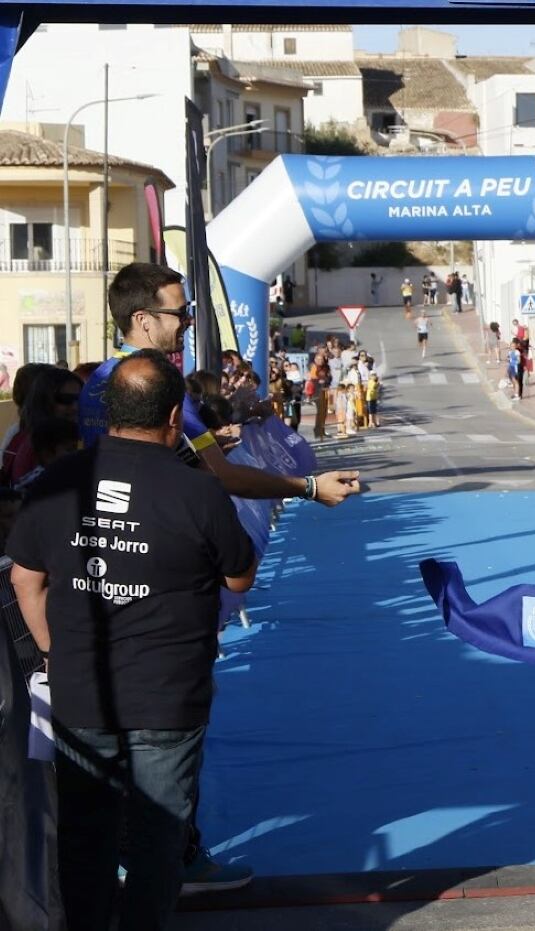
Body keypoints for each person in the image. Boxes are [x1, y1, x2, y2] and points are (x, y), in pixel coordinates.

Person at [79, 263, 362, 890]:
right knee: (170, 729)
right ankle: (174, 858)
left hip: (99, 578)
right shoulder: (165, 390)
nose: (187, 324)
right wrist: (308, 486)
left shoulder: (97, 387)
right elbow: (223, 479)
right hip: (167, 585)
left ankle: (124, 863)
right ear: (142, 319)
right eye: (180, 312)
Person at [5, 349, 259, 930]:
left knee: (85, 835)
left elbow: (25, 578)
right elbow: (239, 575)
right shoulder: (198, 491)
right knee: (159, 838)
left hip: (80, 689)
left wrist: (51, 648)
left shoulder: (57, 481)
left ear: (109, 410)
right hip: (167, 692)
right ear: (174, 417)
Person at [2, 367, 82, 487]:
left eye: (80, 400)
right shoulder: (38, 445)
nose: (75, 407)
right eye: (65, 399)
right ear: (44, 401)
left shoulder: (62, 438)